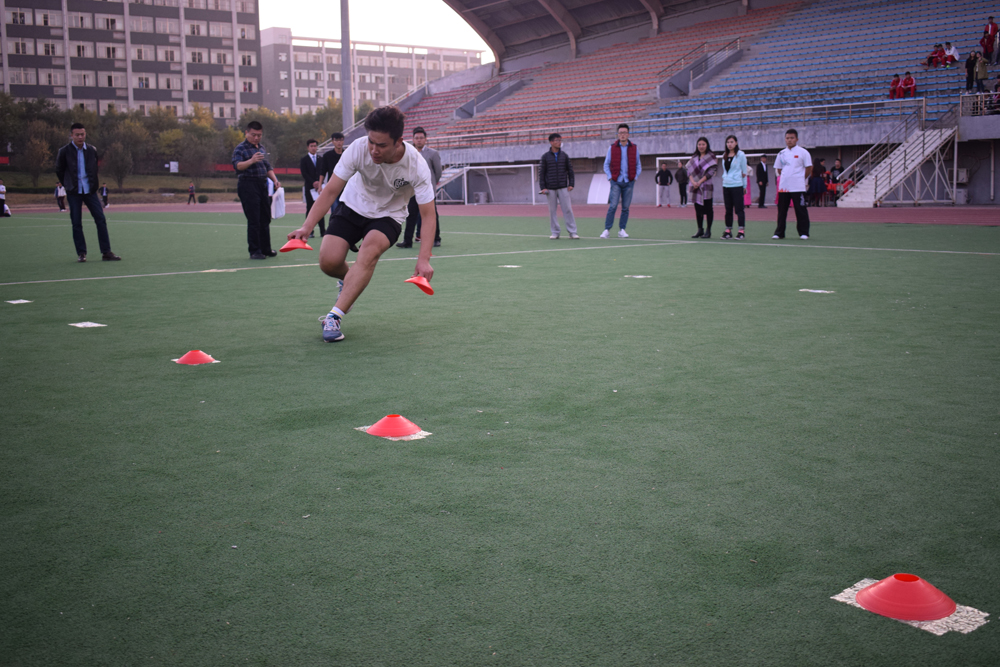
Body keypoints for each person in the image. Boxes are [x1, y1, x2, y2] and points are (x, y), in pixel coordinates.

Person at [286, 106, 436, 344]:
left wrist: (424, 258)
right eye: (371, 142)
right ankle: (350, 283)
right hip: (353, 205)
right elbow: (331, 191)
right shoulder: (357, 149)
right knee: (328, 261)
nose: (374, 150)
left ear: (399, 141)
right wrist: (307, 226)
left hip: (389, 215)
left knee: (370, 250)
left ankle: (334, 317)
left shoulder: (416, 165)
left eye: (382, 145)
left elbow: (428, 215)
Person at [55, 122, 122, 262]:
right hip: (74, 192)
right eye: (77, 135)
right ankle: (81, 253)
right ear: (71, 135)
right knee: (76, 222)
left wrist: (93, 185)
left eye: (82, 134)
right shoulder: (64, 151)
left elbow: (94, 169)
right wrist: (68, 184)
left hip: (90, 191)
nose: (80, 137)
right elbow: (59, 170)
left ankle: (106, 252)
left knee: (100, 219)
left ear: (85, 134)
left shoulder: (92, 150)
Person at [232, 120, 281, 260]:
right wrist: (251, 160)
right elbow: (237, 166)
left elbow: (267, 167)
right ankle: (255, 250)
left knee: (265, 218)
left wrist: (275, 180)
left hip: (262, 185)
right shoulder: (240, 149)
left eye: (259, 135)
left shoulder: (262, 148)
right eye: (253, 135)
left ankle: (266, 248)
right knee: (254, 219)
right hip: (248, 184)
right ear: (246, 133)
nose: (256, 138)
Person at [398, 126, 443, 247]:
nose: (419, 140)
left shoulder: (432, 154)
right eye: (416, 138)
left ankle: (436, 238)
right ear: (413, 139)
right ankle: (407, 241)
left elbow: (438, 172)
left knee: (432, 214)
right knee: (411, 215)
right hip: (412, 189)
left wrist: (431, 184)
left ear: (425, 139)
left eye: (421, 138)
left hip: (427, 190)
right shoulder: (408, 153)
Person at [601, 124, 640, 238]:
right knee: (613, 206)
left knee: (625, 207)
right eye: (620, 133)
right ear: (618, 134)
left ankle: (622, 230)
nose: (622, 135)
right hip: (616, 181)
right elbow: (606, 164)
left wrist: (635, 177)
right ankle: (607, 229)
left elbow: (638, 165)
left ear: (628, 134)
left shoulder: (634, 148)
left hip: (629, 182)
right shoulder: (612, 148)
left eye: (624, 132)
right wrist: (610, 177)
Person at [773, 128, 812, 240]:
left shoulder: (803, 152)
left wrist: (800, 178)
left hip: (798, 186)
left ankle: (804, 232)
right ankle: (779, 232)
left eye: (792, 138)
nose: (789, 140)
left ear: (797, 139)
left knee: (800, 210)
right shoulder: (781, 153)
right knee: (782, 211)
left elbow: (808, 168)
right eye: (787, 138)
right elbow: (779, 169)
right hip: (784, 187)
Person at [538, 132, 578, 239]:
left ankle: (572, 232)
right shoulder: (545, 157)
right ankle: (555, 232)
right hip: (550, 188)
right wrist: (543, 187)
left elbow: (570, 171)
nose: (559, 142)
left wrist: (571, 184)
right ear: (551, 142)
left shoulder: (564, 156)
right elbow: (541, 173)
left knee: (568, 209)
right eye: (557, 140)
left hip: (563, 187)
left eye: (560, 140)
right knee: (552, 211)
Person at [686, 137, 717, 239]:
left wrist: (699, 182)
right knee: (698, 208)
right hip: (695, 186)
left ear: (707, 145)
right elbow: (689, 171)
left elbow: (711, 172)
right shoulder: (694, 157)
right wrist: (693, 182)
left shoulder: (711, 157)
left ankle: (708, 230)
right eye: (699, 144)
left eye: (703, 144)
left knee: (708, 209)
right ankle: (700, 229)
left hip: (706, 186)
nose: (701, 146)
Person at [719, 135, 748, 240]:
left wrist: (744, 186)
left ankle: (741, 231)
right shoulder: (724, 155)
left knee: (739, 209)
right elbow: (725, 170)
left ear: (736, 143)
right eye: (728, 142)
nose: (730, 144)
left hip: (737, 185)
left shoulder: (741, 155)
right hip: (726, 185)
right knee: (728, 209)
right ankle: (728, 231)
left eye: (732, 142)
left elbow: (744, 171)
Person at [300, 139, 325, 238]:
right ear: (308, 147)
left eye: (315, 146)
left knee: (320, 209)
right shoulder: (304, 160)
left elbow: (323, 172)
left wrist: (319, 182)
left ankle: (323, 231)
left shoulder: (321, 159)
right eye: (312, 146)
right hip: (309, 188)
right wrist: (313, 182)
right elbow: (304, 173)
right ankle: (309, 231)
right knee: (310, 209)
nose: (314, 148)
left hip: (319, 188)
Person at [321, 131, 346, 218]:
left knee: (345, 212)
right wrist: (320, 185)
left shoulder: (347, 154)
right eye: (337, 140)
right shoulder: (327, 156)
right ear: (332, 141)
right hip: (333, 187)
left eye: (341, 140)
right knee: (335, 211)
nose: (339, 142)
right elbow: (323, 171)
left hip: (346, 188)